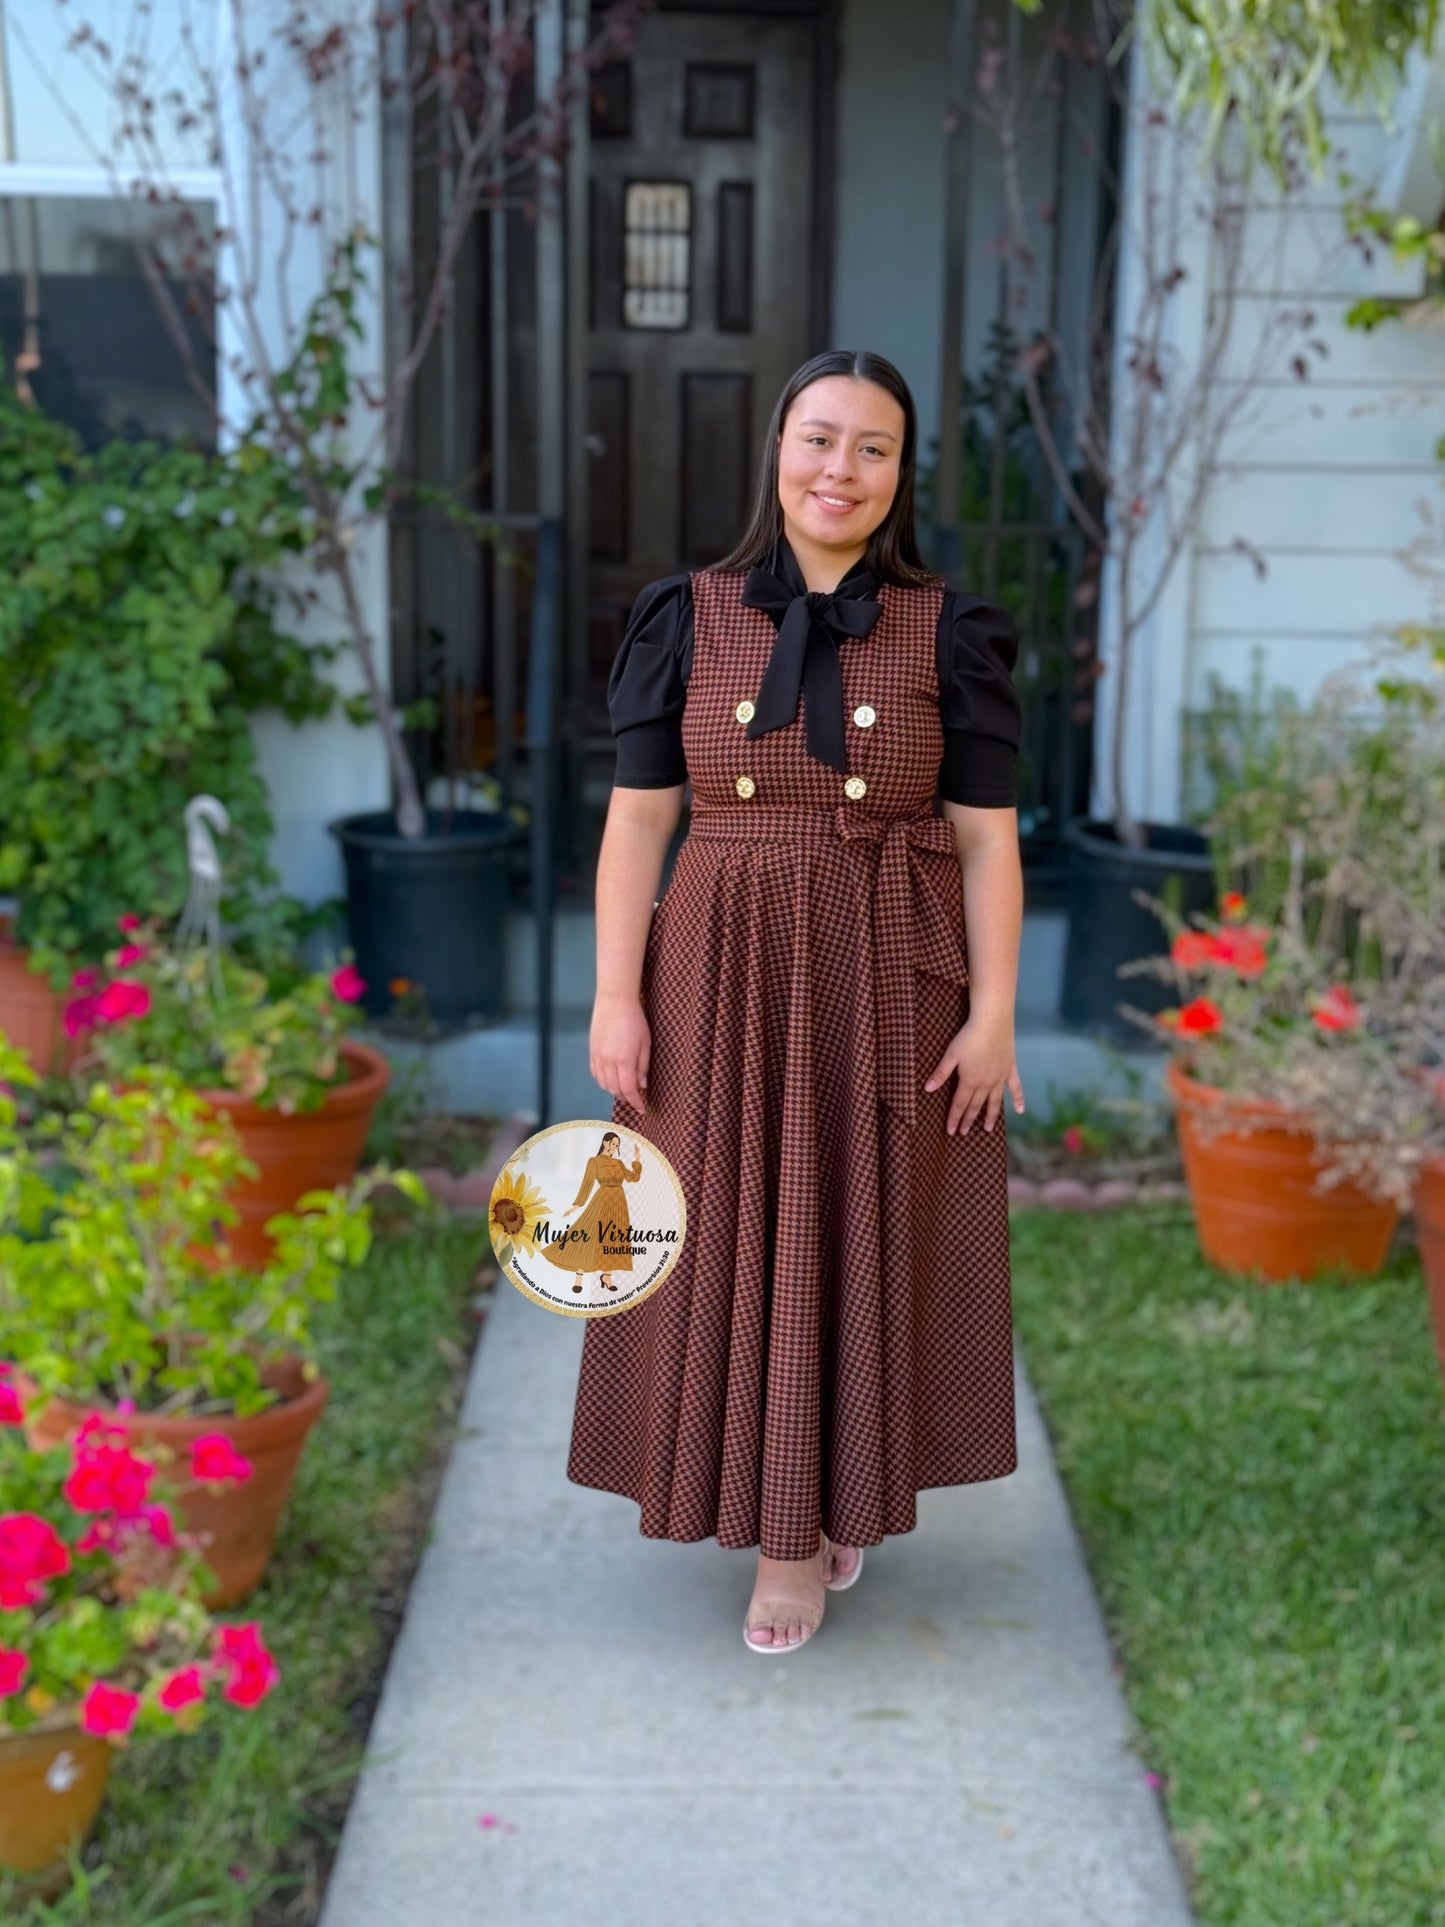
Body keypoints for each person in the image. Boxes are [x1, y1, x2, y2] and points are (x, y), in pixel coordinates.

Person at [568, 347, 1027, 1654]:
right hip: (716, 962)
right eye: (820, 438)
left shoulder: (951, 630)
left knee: (861, 1225)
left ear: (900, 473)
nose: (841, 468)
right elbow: (636, 822)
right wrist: (616, 992)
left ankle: (837, 1499)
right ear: (777, 449)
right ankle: (776, 1541)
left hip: (886, 964)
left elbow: (988, 840)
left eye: (872, 447)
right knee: (727, 1228)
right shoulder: (687, 614)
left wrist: (992, 1012)